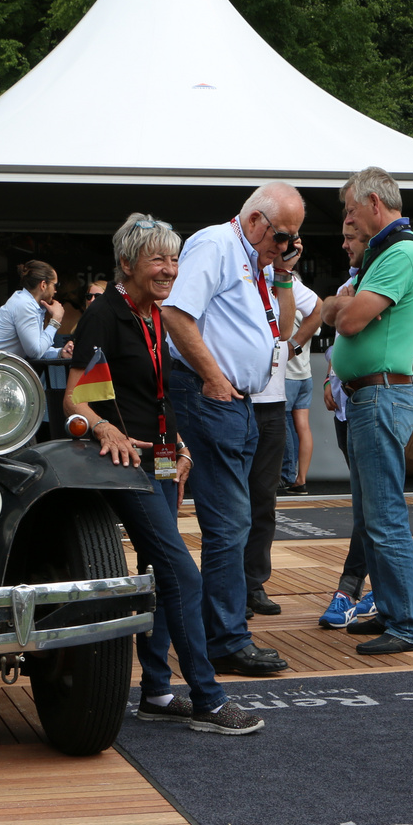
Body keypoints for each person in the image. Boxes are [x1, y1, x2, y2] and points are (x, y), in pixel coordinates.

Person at [64, 214, 262, 735]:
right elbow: (72, 401)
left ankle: (155, 691)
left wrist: (180, 449)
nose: (170, 269)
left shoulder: (154, 314)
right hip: (124, 465)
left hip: (161, 457)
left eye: (174, 259)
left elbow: (155, 395)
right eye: (158, 259)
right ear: (126, 264)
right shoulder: (105, 315)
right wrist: (103, 428)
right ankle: (209, 699)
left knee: (158, 573)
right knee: (183, 575)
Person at [160, 182, 304, 676]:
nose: (285, 246)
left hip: (240, 401)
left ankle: (220, 632)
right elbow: (176, 314)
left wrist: (280, 272)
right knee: (230, 523)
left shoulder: (255, 260)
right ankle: (224, 640)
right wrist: (215, 377)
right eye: (282, 236)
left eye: (292, 240)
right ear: (257, 220)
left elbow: (282, 331)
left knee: (236, 519)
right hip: (215, 397)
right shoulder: (216, 244)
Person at [321, 167, 413, 656]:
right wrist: (339, 305)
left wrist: (335, 306)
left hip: (379, 396)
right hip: (373, 395)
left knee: (383, 515)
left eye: (349, 210)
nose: (347, 220)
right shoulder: (392, 253)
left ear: (372, 202)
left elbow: (347, 320)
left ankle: (406, 625)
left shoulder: (401, 253)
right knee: (373, 515)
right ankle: (392, 612)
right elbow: (346, 314)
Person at [245, 253, 318, 617]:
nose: (280, 247)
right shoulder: (233, 270)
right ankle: (228, 586)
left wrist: (293, 348)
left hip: (272, 402)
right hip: (233, 398)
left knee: (263, 500)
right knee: (231, 502)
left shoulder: (282, 278)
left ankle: (254, 583)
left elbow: (318, 311)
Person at [282, 288, 326, 495]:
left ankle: (287, 474)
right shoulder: (310, 315)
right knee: (303, 427)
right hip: (304, 376)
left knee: (282, 424)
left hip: (288, 375)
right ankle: (301, 479)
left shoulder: (286, 313)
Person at [0, 261, 65, 360]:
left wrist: (60, 352)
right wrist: (55, 320)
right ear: (43, 285)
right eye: (56, 285)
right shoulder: (25, 305)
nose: (56, 291)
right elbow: (35, 351)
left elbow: (36, 346)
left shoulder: (27, 303)